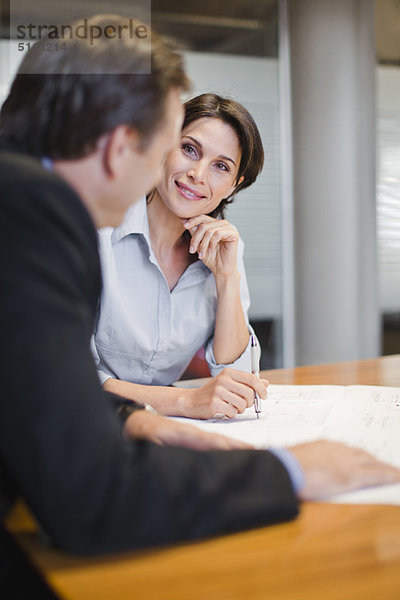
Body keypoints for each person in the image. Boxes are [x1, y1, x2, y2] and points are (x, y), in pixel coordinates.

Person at [0, 14, 399, 564]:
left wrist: (138, 419)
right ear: (123, 148)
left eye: (219, 167)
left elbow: (35, 388)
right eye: (175, 146)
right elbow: (90, 496)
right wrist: (290, 469)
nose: (187, 174)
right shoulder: (43, 223)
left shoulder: (21, 197)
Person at [93, 93, 269, 419]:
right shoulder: (98, 233)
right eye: (189, 149)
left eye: (221, 166)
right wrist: (184, 402)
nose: (198, 174)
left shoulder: (223, 248)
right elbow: (70, 377)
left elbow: (240, 378)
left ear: (234, 184)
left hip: (156, 431)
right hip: (77, 426)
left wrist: (226, 278)